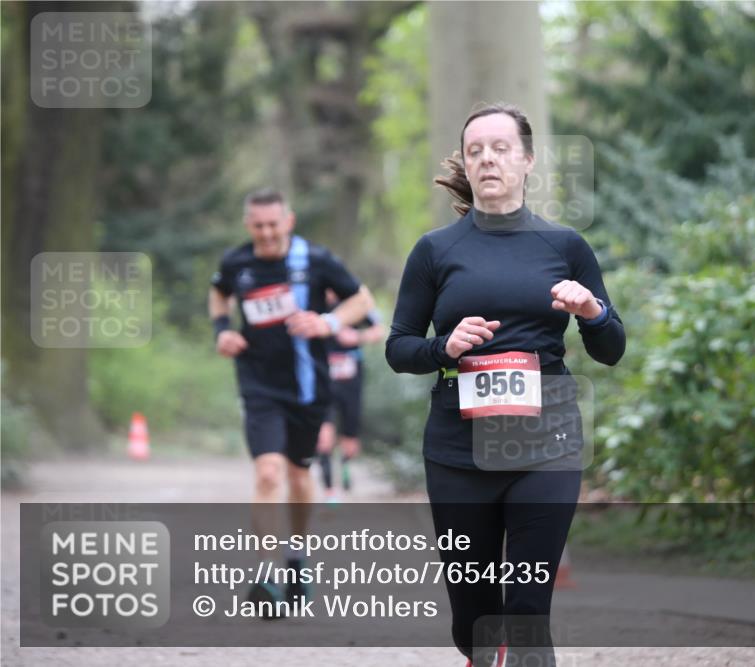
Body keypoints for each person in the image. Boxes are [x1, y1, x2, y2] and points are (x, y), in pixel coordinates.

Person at [385, 103, 625, 667]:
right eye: (475, 150)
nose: (487, 158)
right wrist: (444, 346)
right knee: (473, 617)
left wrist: (592, 312)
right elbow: (399, 348)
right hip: (457, 448)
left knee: (526, 611)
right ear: (466, 165)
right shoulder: (435, 251)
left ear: (527, 161)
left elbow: (610, 348)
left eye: (500, 148)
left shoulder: (565, 247)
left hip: (547, 439)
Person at [209, 188, 373, 613]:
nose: (265, 233)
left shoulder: (315, 261)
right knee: (267, 472)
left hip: (308, 386)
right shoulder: (237, 262)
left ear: (288, 221)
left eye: (272, 224)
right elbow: (219, 293)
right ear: (248, 224)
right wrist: (223, 330)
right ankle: (265, 574)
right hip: (259, 383)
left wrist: (327, 322)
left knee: (300, 477)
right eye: (257, 225)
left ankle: (297, 558)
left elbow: (362, 300)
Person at [315, 291, 386, 503]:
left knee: (350, 442)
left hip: (351, 381)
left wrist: (357, 337)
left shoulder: (354, 305)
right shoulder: (311, 302)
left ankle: (345, 464)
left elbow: (379, 331)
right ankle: (329, 491)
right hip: (323, 380)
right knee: (324, 439)